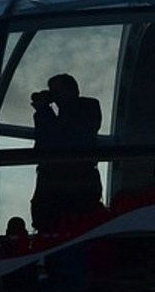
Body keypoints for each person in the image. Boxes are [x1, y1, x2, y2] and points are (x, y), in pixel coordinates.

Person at [30, 73, 103, 234]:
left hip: (78, 187)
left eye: (58, 92)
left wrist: (44, 112)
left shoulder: (88, 107)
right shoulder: (55, 117)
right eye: (53, 93)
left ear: (73, 90)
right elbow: (42, 145)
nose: (55, 97)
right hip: (52, 189)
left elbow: (65, 138)